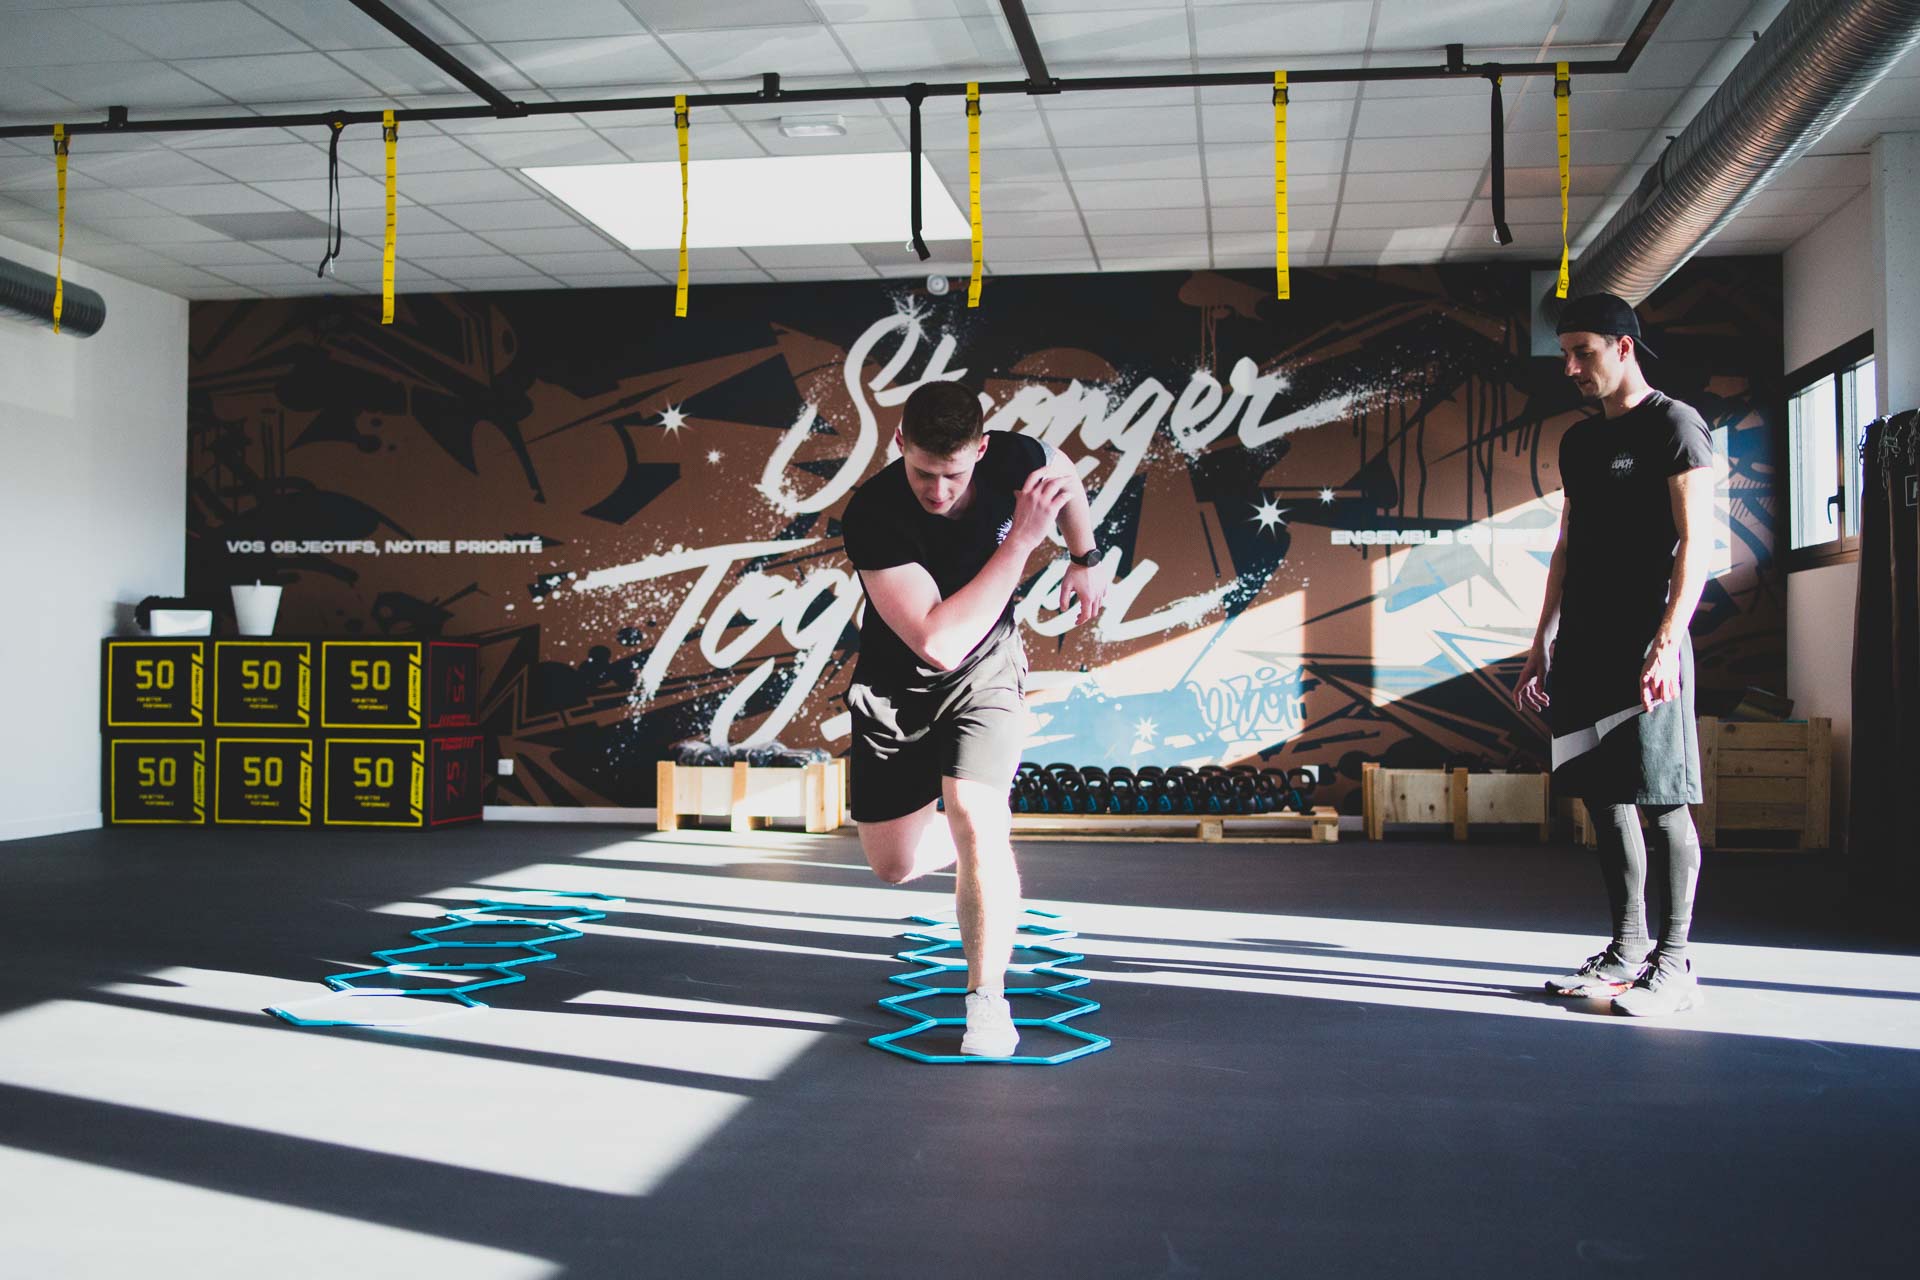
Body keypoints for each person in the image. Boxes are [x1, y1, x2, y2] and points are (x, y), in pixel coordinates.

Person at [841, 380, 1105, 1056]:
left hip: (988, 673)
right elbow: (936, 640)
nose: (937, 489)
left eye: (953, 473)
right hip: (898, 685)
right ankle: (973, 848)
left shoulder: (1017, 460)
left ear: (981, 451)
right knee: (894, 866)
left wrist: (1084, 557)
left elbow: (1066, 475)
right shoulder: (873, 512)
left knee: (978, 818)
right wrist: (1021, 543)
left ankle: (987, 1000)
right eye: (924, 472)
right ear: (900, 444)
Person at [1516, 292, 1716, 1017]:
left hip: (1645, 643)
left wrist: (1665, 643)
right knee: (1607, 799)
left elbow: (1698, 543)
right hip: (1586, 645)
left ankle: (1675, 960)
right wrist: (1542, 642)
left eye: (1583, 352)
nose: (1571, 367)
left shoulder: (1676, 426)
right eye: (1566, 353)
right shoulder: (1579, 441)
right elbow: (1568, 544)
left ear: (1624, 347)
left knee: (1662, 801)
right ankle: (1626, 950)